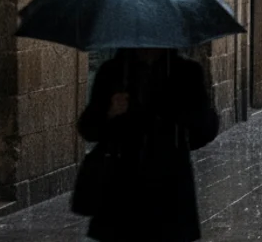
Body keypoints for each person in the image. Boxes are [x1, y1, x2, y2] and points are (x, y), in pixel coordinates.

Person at [76, 48, 219, 242]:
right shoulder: (112, 72)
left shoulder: (186, 72)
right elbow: (88, 129)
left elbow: (205, 130)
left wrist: (183, 115)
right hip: (121, 186)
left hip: (170, 187)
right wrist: (109, 112)